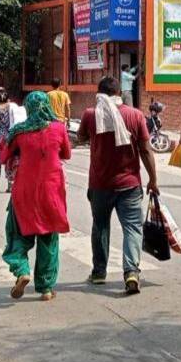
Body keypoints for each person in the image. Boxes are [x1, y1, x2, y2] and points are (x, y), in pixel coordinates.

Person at [77, 76, 159, 295]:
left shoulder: (91, 115)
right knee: (132, 228)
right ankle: (131, 272)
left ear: (100, 94)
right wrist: (153, 179)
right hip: (130, 184)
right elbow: (146, 150)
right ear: (119, 93)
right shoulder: (135, 115)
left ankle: (99, 273)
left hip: (100, 184)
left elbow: (81, 137)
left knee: (100, 226)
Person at [0, 91, 71, 301]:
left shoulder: (19, 132)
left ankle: (22, 270)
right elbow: (66, 154)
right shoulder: (59, 128)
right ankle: (46, 288)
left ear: (28, 108)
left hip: (24, 191)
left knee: (17, 235)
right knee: (49, 239)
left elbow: (4, 156)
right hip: (51, 192)